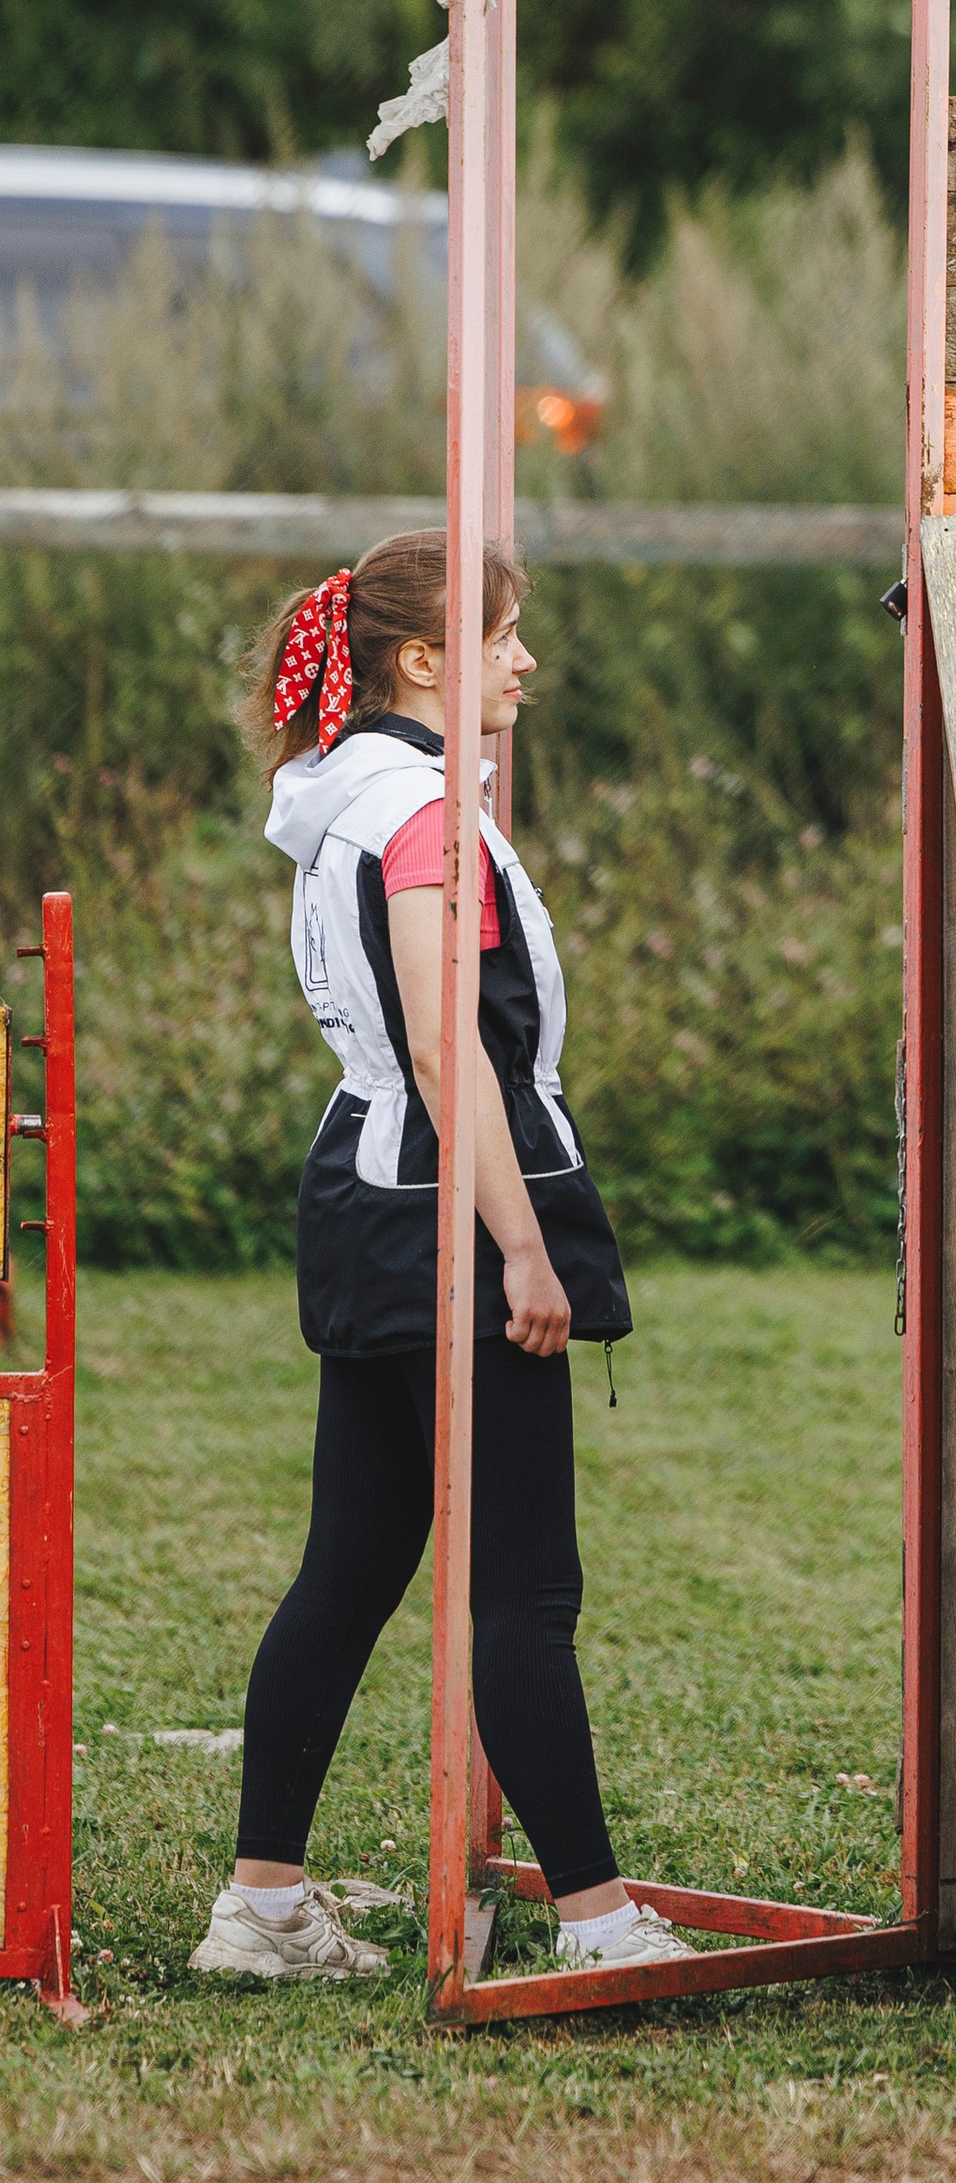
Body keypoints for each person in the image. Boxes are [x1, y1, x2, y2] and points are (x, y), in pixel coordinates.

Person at [191, 529, 692, 1983]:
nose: (522, 658)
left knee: (348, 1567)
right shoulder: (414, 810)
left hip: (373, 1196)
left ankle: (264, 1906)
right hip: (445, 1215)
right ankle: (599, 1921)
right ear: (423, 659)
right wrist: (523, 1251)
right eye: (501, 634)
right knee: (526, 1592)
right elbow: (438, 1037)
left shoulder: (355, 798)